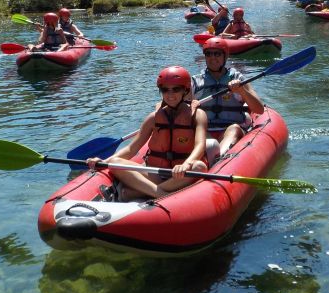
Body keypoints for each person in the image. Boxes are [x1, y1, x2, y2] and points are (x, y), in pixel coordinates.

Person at [87, 66, 208, 201]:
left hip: (180, 174)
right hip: (154, 173)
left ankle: (140, 191)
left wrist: (186, 164)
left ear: (185, 90)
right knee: (115, 163)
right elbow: (131, 149)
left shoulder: (197, 115)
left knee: (199, 167)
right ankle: (163, 195)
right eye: (165, 89)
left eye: (176, 89)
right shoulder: (153, 118)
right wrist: (104, 162)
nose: (170, 94)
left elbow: (200, 145)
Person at [191, 38, 265, 156]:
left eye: (217, 54)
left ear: (225, 56)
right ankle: (209, 158)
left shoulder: (238, 78)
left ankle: (218, 159)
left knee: (234, 129)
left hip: (230, 128)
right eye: (208, 54)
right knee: (199, 132)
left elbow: (259, 110)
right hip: (206, 130)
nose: (212, 57)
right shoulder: (195, 82)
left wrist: (242, 91)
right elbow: (181, 108)